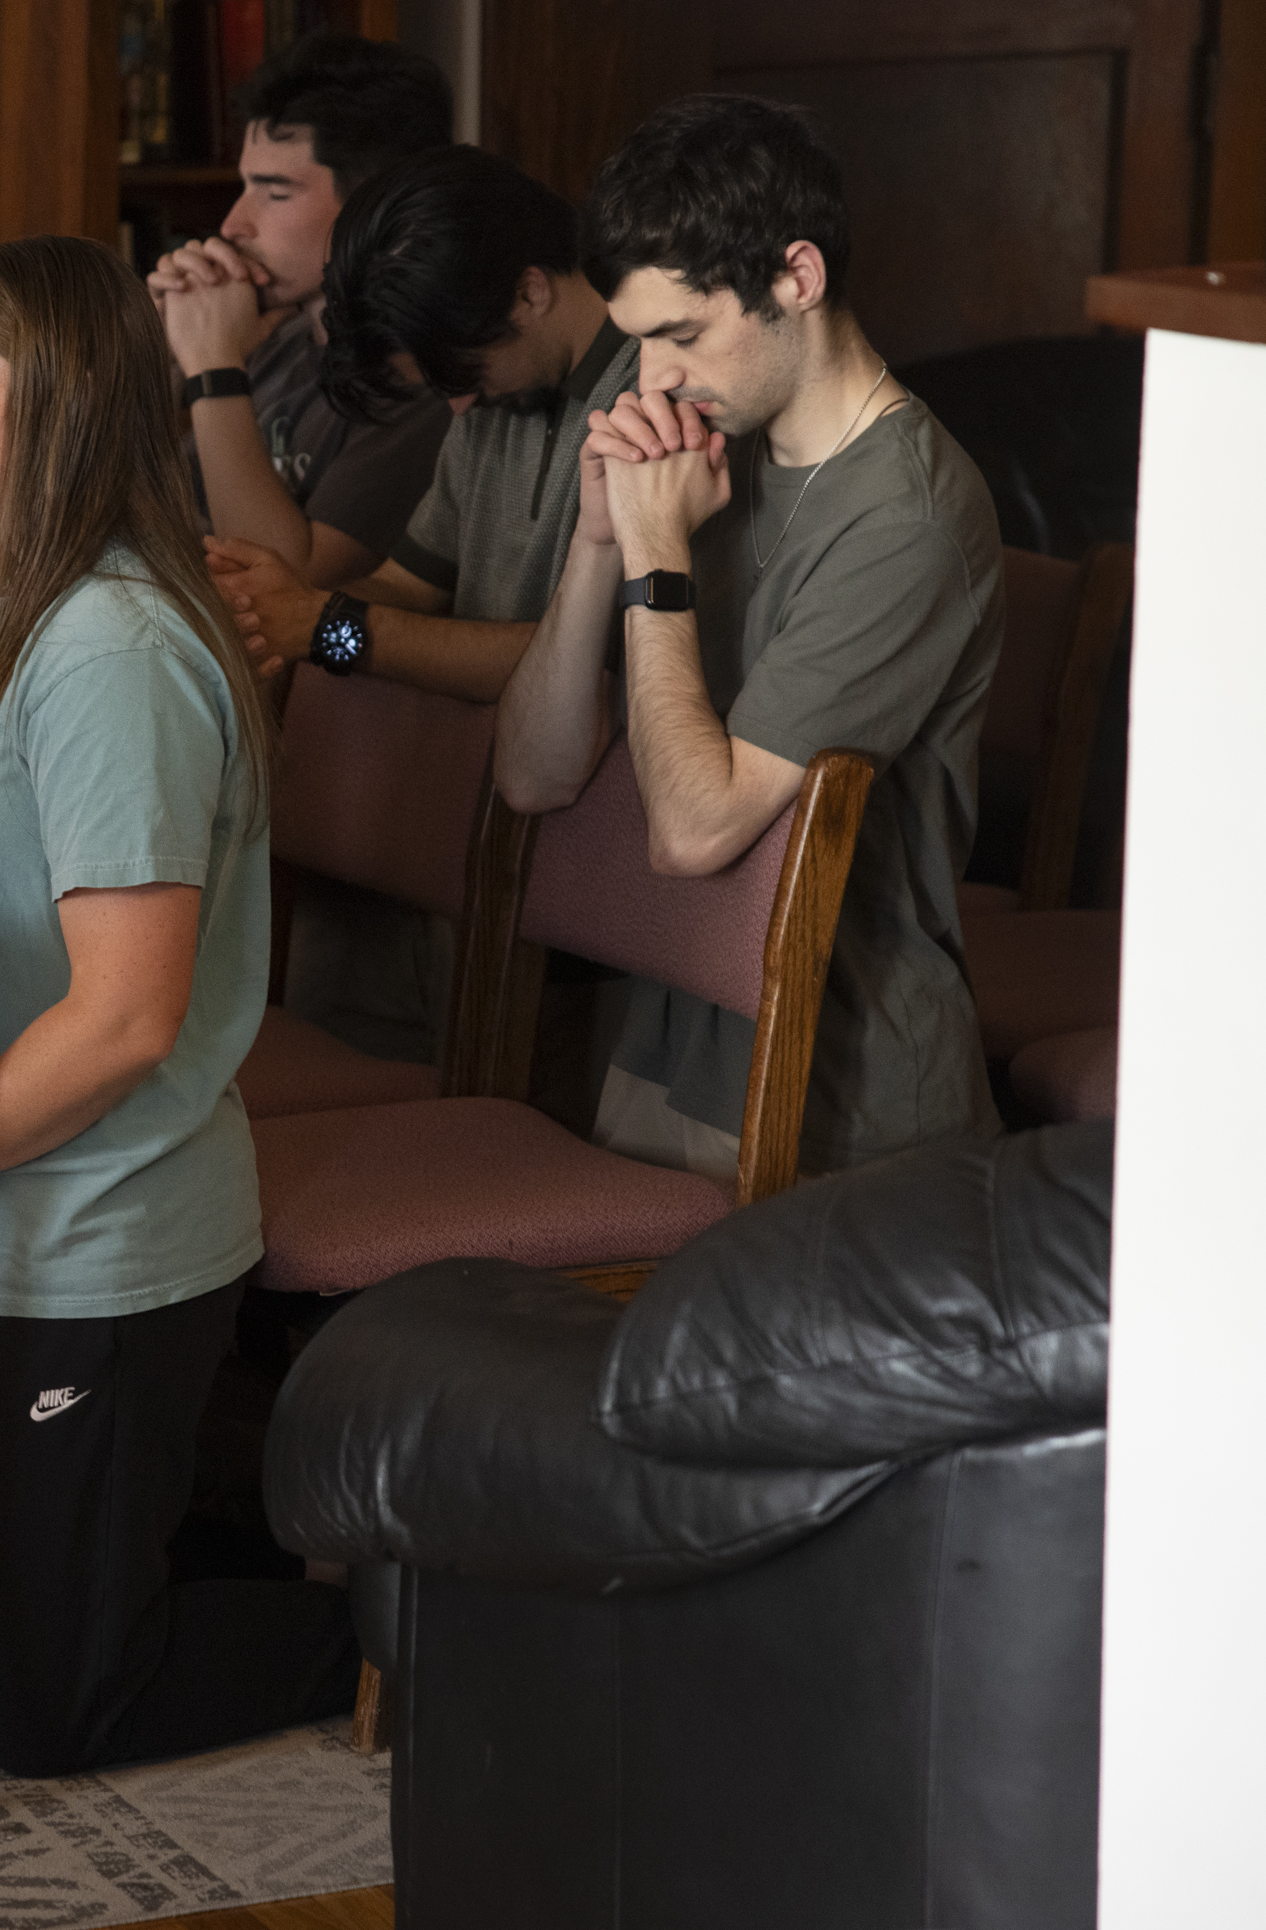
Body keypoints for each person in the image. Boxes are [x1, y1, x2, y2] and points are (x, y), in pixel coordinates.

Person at [0, 235, 357, 1780]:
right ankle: (162, 1533)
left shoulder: (110, 647)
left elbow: (124, 1020)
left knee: (53, 1711)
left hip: (68, 1230)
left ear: (55, 401)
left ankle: (424, 1613)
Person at [491, 94, 1002, 1180]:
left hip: (838, 1092)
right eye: (635, 343)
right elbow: (532, 775)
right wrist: (597, 542)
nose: (653, 379)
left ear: (795, 278)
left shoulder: (904, 515)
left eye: (680, 335)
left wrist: (656, 558)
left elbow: (693, 831)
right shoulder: (701, 457)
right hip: (664, 1042)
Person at [201, 145, 643, 1070]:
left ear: (530, 291)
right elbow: (408, 588)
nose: (455, 405)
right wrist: (277, 603)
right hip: (483, 840)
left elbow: (584, 666)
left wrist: (330, 627)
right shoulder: (490, 405)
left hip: (605, 857)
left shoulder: (648, 405)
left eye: (460, 369)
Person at [144, 32, 452, 589]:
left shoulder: (419, 388)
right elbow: (103, 501)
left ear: (379, 207)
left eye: (275, 192)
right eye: (244, 186)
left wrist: (213, 370)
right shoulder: (270, 340)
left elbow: (288, 590)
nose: (234, 224)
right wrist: (159, 352)